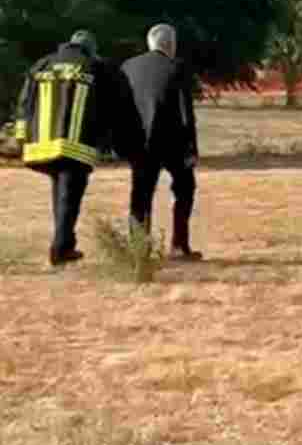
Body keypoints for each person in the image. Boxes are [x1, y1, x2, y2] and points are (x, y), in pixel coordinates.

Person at [15, 30, 133, 266]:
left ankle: (64, 243)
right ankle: (60, 249)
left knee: (61, 190)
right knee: (69, 194)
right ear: (90, 50)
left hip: (41, 145)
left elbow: (24, 103)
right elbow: (117, 106)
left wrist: (21, 140)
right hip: (75, 145)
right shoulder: (96, 67)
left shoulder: (42, 64)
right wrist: (119, 144)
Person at [121, 24, 202, 261]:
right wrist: (191, 149)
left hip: (140, 142)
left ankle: (139, 250)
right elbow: (186, 113)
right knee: (184, 189)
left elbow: (121, 108)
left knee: (140, 195)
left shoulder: (128, 67)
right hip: (172, 142)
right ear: (171, 45)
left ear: (150, 43)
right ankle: (178, 246)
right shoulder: (177, 68)